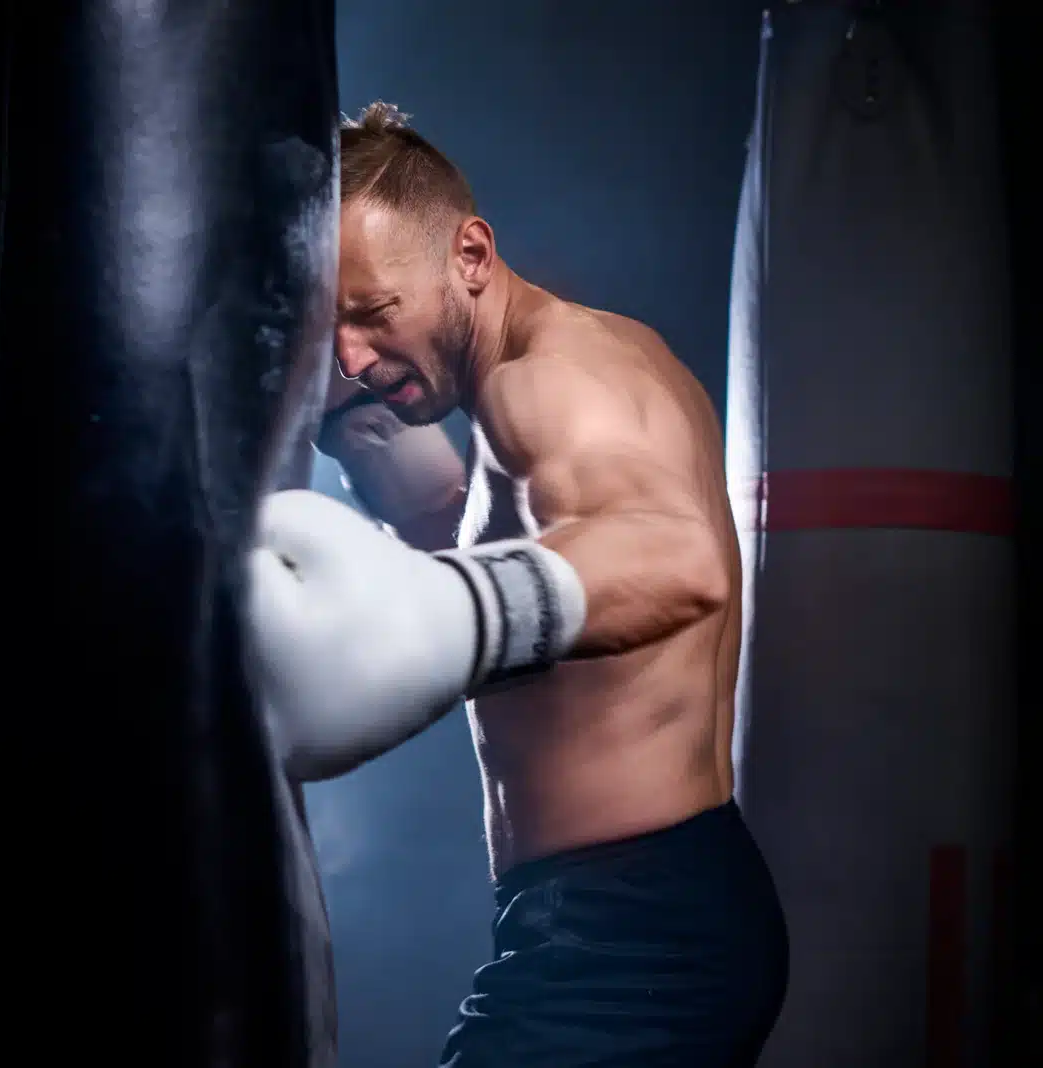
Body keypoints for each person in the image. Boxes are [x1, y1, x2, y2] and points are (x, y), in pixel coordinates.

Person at [247, 102, 789, 1066]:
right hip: (640, 906)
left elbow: (676, 558)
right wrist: (360, 433)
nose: (353, 357)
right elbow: (502, 535)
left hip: (629, 928)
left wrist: (445, 614)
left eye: (374, 316)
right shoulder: (569, 367)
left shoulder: (552, 385)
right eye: (334, 332)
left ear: (470, 253)